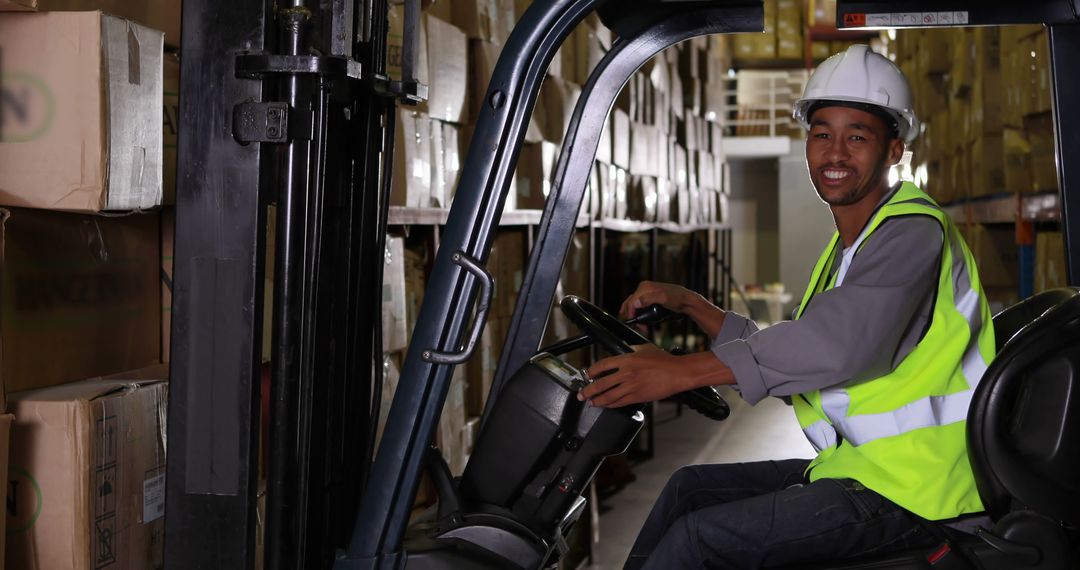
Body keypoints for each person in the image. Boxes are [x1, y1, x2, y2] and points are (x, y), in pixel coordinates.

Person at [577, 44, 996, 569]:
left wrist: (679, 372)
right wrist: (694, 306)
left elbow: (833, 346)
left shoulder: (910, 231)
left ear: (894, 150)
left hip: (918, 493)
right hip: (868, 469)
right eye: (822, 134)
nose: (836, 153)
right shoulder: (853, 245)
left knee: (700, 539)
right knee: (690, 489)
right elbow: (798, 355)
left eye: (857, 137)